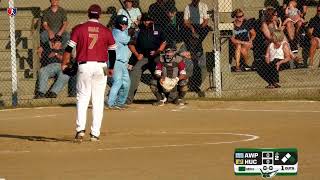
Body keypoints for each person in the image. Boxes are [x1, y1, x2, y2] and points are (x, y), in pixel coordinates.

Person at [61, 4, 117, 142]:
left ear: (88, 14)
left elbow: (68, 49)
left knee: (83, 98)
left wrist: (64, 63)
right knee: (98, 100)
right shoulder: (105, 30)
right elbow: (112, 51)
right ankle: (95, 134)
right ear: (100, 15)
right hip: (102, 66)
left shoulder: (79, 28)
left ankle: (80, 130)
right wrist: (111, 67)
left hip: (84, 65)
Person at [126, 13, 166, 104]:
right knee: (134, 75)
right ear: (143, 21)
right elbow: (131, 44)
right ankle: (128, 99)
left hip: (155, 57)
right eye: (146, 20)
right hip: (142, 57)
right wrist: (137, 55)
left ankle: (163, 98)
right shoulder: (138, 30)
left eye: (150, 20)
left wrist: (158, 51)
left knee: (159, 75)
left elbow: (164, 42)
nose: (148, 22)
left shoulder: (158, 29)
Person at [183, 0, 210, 97]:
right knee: (189, 33)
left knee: (204, 31)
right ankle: (193, 50)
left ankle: (197, 49)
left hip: (201, 27)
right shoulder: (187, 7)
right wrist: (192, 28)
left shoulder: (204, 5)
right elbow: (186, 21)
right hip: (192, 26)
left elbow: (206, 20)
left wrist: (198, 29)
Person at [106, 15, 131, 109]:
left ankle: (120, 102)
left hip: (122, 62)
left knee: (127, 83)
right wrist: (136, 31)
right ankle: (110, 103)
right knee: (118, 82)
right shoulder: (116, 33)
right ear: (117, 24)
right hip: (115, 61)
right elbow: (130, 40)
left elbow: (127, 32)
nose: (124, 25)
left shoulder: (122, 31)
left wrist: (135, 28)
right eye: (122, 24)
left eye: (125, 24)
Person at [307, 4, 320, 69]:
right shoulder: (313, 19)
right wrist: (312, 37)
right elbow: (309, 31)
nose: (319, 12)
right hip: (317, 38)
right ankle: (311, 62)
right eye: (318, 10)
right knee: (314, 41)